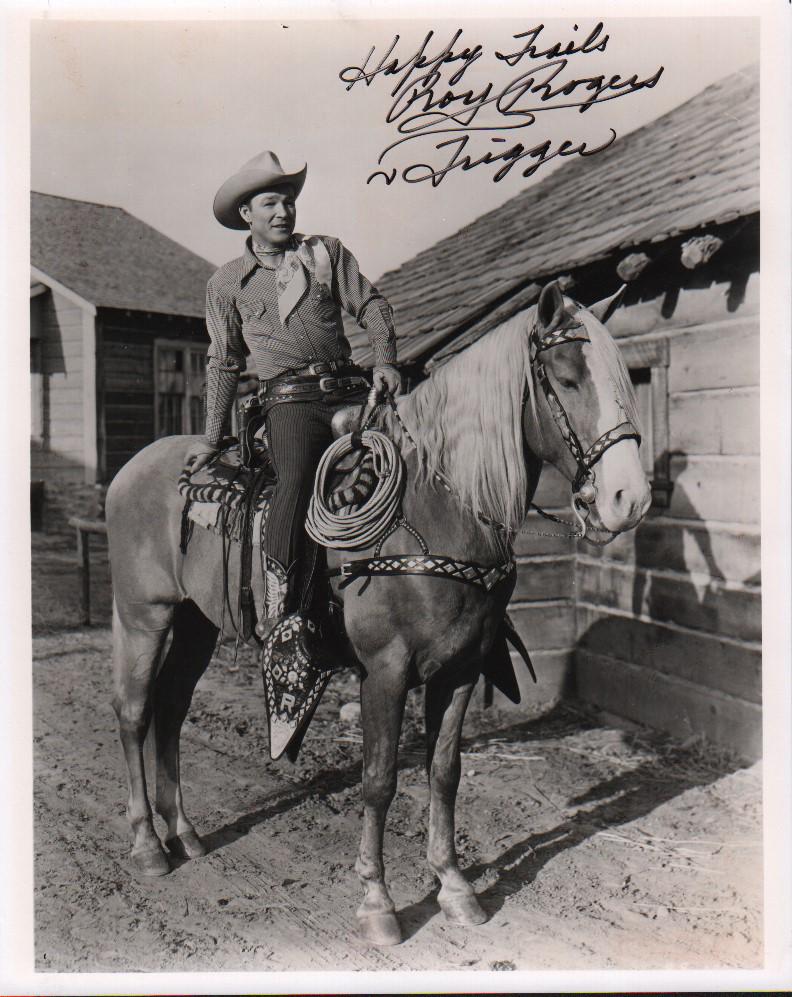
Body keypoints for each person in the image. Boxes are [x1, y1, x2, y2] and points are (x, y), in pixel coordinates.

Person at [184, 150, 401, 667]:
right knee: (296, 482)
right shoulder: (226, 284)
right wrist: (212, 438)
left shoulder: (325, 253)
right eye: (271, 203)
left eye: (288, 202)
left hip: (351, 391)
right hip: (289, 401)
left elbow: (372, 306)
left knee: (411, 457)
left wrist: (387, 360)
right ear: (247, 215)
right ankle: (282, 617)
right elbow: (223, 363)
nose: (283, 212)